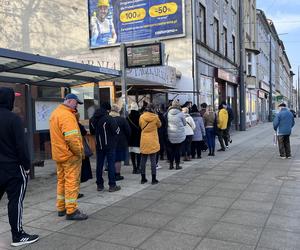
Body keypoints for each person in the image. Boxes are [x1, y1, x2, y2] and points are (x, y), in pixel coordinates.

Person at [0, 87, 39, 247]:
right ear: (9, 100)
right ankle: (18, 236)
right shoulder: (13, 119)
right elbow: (21, 147)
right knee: (15, 202)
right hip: (13, 168)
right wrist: (26, 166)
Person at [49, 93, 88, 220]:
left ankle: (61, 207)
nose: (77, 106)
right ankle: (71, 210)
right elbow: (72, 138)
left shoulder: (55, 113)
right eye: (76, 103)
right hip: (70, 155)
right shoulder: (67, 115)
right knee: (72, 182)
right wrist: (79, 153)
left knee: (62, 181)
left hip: (59, 154)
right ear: (71, 101)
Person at [89, 102, 121, 192]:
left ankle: (99, 185)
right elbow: (117, 131)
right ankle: (112, 185)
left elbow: (92, 133)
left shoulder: (92, 119)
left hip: (99, 145)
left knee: (99, 164)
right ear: (108, 110)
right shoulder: (109, 118)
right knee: (110, 164)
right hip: (110, 145)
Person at [139, 104, 161, 184]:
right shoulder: (155, 117)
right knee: (153, 160)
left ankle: (143, 178)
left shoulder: (141, 117)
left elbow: (141, 126)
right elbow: (159, 125)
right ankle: (153, 179)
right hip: (153, 140)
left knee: (143, 160)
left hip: (144, 139)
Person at [109, 104, 131, 181]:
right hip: (120, 142)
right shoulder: (122, 119)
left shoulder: (107, 119)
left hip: (109, 142)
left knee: (111, 159)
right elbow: (128, 131)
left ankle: (111, 174)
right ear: (118, 110)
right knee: (118, 159)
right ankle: (117, 175)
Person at [75, 112, 93, 198]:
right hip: (78, 150)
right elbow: (84, 132)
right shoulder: (77, 124)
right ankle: (75, 192)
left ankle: (74, 191)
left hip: (72, 151)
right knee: (77, 173)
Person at [167, 99, 186, 170]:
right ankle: (177, 165)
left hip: (170, 134)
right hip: (179, 135)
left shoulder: (168, 113)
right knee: (177, 150)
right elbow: (184, 123)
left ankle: (171, 165)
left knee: (171, 150)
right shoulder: (181, 113)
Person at [127, 102, 141, 174]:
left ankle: (134, 168)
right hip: (138, 137)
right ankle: (138, 168)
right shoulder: (140, 116)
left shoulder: (128, 117)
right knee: (138, 153)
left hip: (130, 138)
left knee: (132, 153)